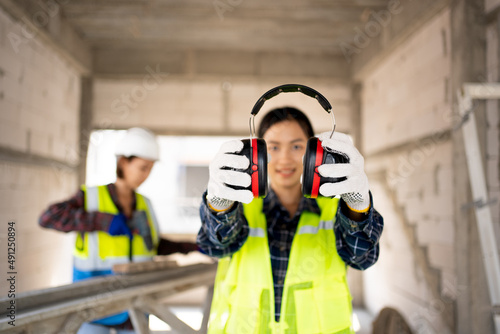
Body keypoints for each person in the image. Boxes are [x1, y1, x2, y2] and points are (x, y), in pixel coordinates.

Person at [198, 107, 384, 333]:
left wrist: (356, 207)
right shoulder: (242, 205)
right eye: (273, 147)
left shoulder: (335, 209)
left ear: (314, 153)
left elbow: (362, 257)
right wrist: (220, 206)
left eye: (297, 146)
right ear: (259, 153)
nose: (285, 158)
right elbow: (214, 246)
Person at [39, 127, 198, 334]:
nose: (146, 174)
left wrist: (193, 246)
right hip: (94, 309)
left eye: (150, 168)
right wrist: (103, 222)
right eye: (142, 167)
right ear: (123, 162)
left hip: (135, 307)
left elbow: (153, 246)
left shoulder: (144, 204)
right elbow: (48, 217)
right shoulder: (91, 197)